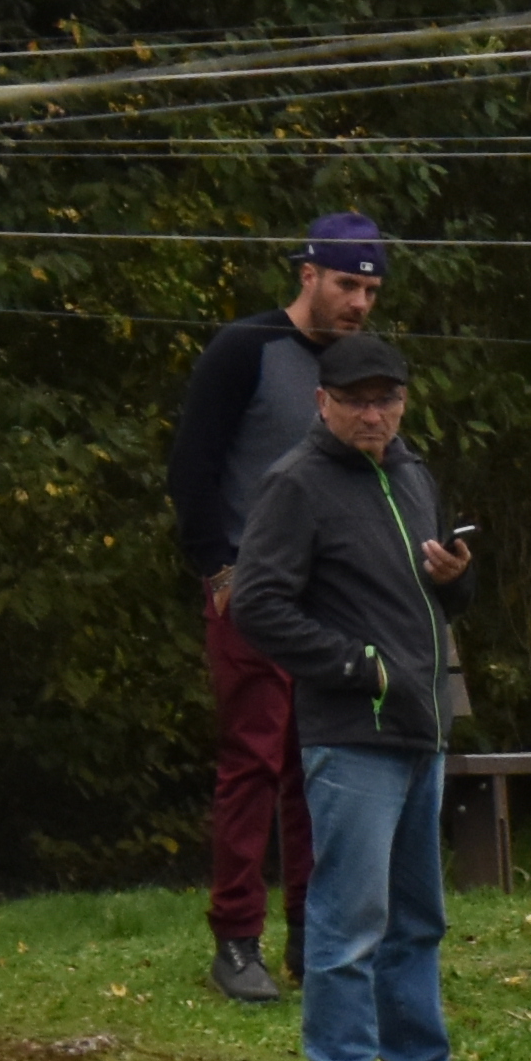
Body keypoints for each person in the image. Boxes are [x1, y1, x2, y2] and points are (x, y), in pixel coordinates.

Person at [222, 331, 513, 1061]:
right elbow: (259, 606)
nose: (372, 414)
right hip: (352, 734)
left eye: (386, 399)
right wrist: (359, 666)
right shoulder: (296, 485)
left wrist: (460, 577)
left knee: (418, 919)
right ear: (323, 402)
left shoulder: (412, 472)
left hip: (422, 730)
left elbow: (436, 597)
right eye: (355, 400)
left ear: (404, 402)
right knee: (350, 918)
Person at [166, 211, 387, 1005]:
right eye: (345, 285)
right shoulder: (245, 351)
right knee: (253, 762)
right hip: (253, 588)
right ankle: (236, 939)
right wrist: (215, 568)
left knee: (321, 768)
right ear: (307, 275)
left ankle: (312, 934)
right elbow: (191, 465)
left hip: (336, 604)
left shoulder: (363, 370)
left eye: (370, 289)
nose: (359, 303)